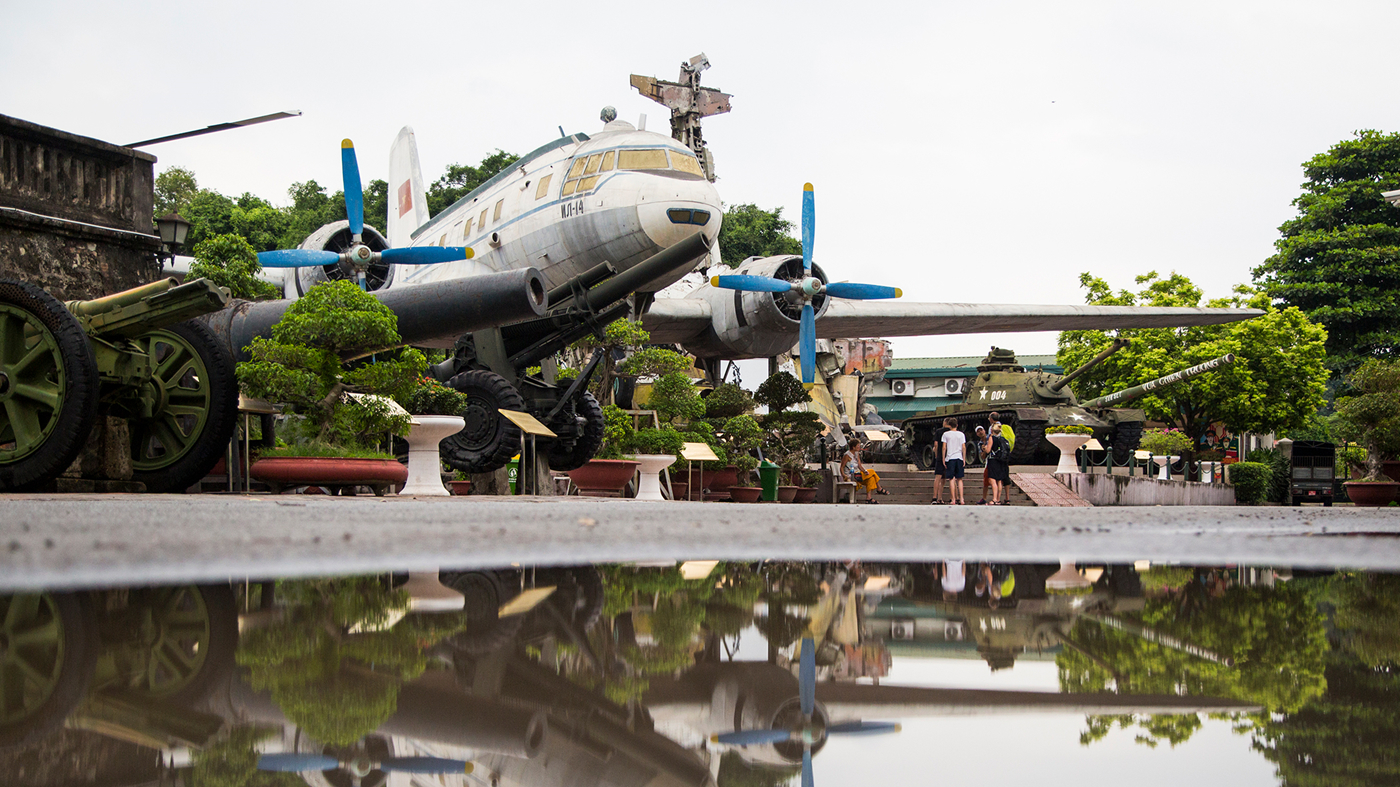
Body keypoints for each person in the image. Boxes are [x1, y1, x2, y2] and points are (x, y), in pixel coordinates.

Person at [842, 439, 889, 503]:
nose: (859, 447)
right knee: (872, 471)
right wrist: (844, 475)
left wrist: (865, 471)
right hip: (851, 476)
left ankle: (868, 498)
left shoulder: (856, 454)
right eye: (858, 445)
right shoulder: (847, 455)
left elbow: (860, 466)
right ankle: (879, 488)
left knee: (871, 478)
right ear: (853, 447)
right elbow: (841, 467)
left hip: (858, 474)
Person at [940, 418, 967, 504]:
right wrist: (964, 458)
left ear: (949, 425)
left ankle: (953, 499)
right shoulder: (961, 434)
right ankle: (962, 499)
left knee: (951, 479)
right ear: (957, 425)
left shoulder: (946, 434)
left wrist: (943, 458)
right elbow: (963, 447)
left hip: (950, 457)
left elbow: (944, 447)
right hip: (959, 457)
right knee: (960, 479)